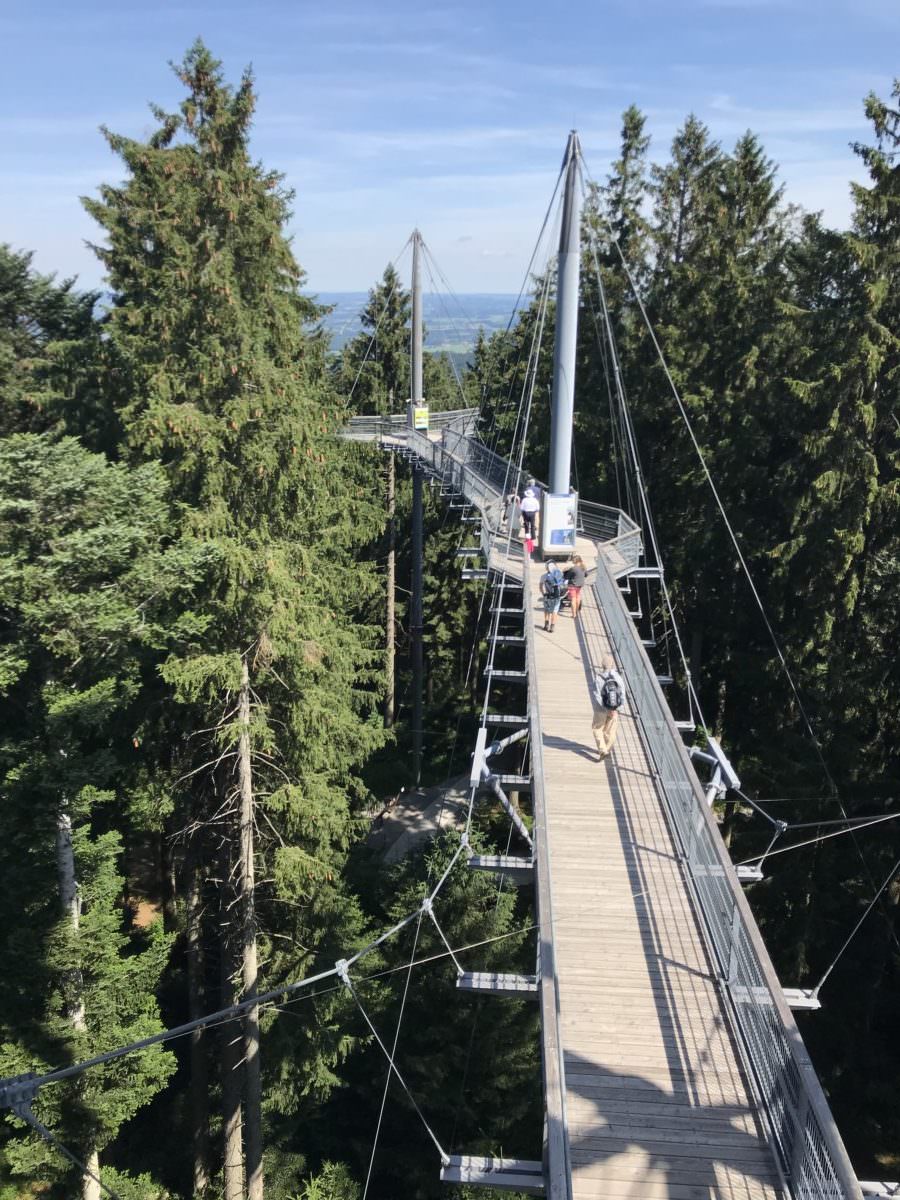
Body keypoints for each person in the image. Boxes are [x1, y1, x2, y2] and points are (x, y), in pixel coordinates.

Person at [592, 655, 625, 760]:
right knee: (610, 731)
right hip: (614, 709)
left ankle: (603, 750)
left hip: (600, 709)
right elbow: (622, 694)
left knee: (597, 728)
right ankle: (606, 748)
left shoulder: (598, 677)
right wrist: (616, 709)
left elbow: (597, 695)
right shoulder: (618, 678)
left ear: (602, 665)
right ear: (612, 665)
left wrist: (605, 708)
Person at [540, 562, 566, 632]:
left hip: (547, 596)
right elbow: (563, 585)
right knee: (555, 611)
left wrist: (543, 594)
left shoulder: (543, 576)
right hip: (556, 596)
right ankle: (552, 627)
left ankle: (546, 625)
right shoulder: (559, 575)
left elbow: (540, 587)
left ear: (547, 568)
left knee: (546, 610)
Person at [564, 555, 586, 619]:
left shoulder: (573, 568)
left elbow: (566, 577)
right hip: (580, 584)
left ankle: (574, 615)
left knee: (573, 598)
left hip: (573, 585)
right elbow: (586, 574)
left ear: (575, 561)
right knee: (578, 596)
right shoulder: (583, 567)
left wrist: (566, 570)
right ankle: (577, 611)